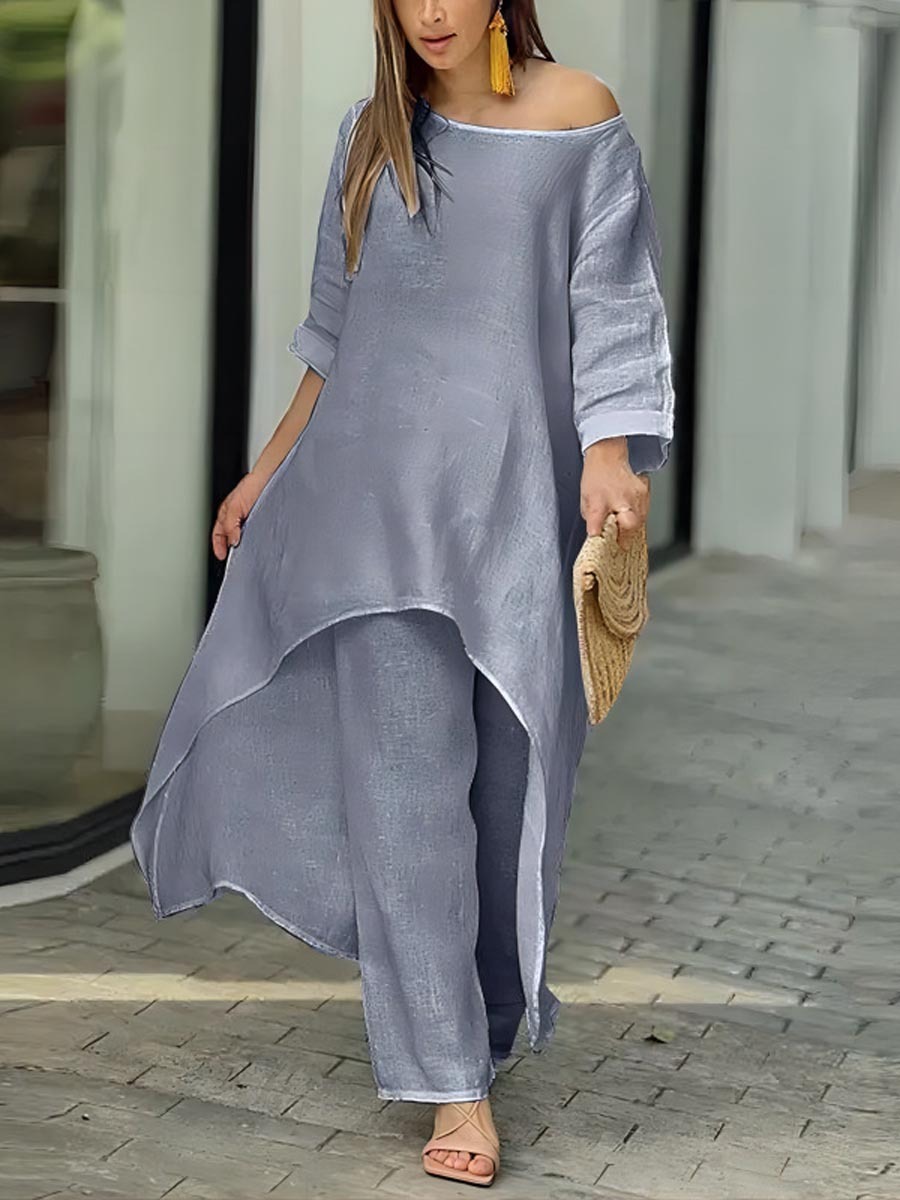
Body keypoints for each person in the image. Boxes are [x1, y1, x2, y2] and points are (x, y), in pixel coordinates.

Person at [130, 0, 676, 1186]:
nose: (430, 10)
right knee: (405, 797)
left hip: (513, 510)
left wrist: (608, 449)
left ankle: (482, 1019)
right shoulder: (373, 134)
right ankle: (451, 1082)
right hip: (367, 511)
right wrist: (267, 472)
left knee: (509, 792)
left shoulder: (578, 117)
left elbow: (613, 301)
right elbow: (336, 338)